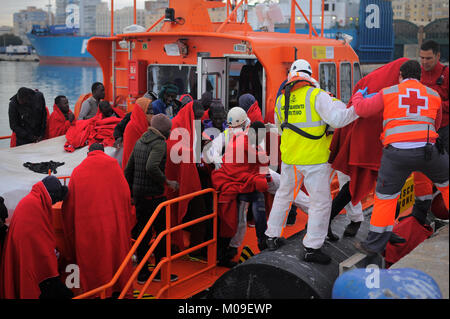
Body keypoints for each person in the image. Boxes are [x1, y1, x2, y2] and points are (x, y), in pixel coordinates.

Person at [264, 59, 359, 264]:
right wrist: (358, 108)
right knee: (321, 203)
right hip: (314, 160)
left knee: (284, 196)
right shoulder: (317, 95)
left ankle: (271, 236)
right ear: (310, 76)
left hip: (290, 158)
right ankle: (312, 248)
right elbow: (338, 120)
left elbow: (281, 129)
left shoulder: (281, 100)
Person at [351, 60, 449, 255]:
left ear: (400, 76)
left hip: (396, 154)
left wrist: (357, 96)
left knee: (386, 199)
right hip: (429, 152)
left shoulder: (389, 92)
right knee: (446, 184)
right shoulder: (433, 95)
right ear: (420, 77)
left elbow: (362, 109)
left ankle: (373, 245)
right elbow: (436, 124)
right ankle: (423, 210)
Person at [62, 143, 135, 297]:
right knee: (116, 257)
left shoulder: (77, 171)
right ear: (103, 152)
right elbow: (125, 194)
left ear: (88, 153)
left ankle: (96, 291)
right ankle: (117, 287)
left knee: (94, 261)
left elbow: (69, 206)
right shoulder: (114, 166)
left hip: (89, 227)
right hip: (114, 224)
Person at [124, 114, 179, 284]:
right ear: (164, 130)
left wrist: (132, 194)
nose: (170, 132)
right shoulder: (159, 143)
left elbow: (128, 169)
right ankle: (160, 272)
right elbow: (151, 166)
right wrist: (168, 182)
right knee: (162, 233)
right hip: (155, 197)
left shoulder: (140, 141)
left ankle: (141, 273)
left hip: (140, 196)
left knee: (143, 233)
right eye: (169, 129)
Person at [1, 176, 72, 299]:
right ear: (51, 195)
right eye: (54, 201)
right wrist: (55, 256)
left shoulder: (32, 201)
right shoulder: (33, 207)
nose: (53, 205)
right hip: (30, 266)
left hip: (24, 259)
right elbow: (41, 248)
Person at [211, 121, 270, 266]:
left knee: (242, 219)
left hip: (240, 184)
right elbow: (237, 170)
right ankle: (261, 242)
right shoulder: (240, 144)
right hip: (235, 184)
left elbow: (259, 162)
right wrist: (258, 179)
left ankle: (260, 241)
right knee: (239, 219)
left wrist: (259, 177)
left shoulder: (245, 141)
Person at [409, 40, 450, 226]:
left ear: (438, 56)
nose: (424, 62)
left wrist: (436, 104)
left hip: (444, 131)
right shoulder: (417, 74)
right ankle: (420, 214)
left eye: (428, 58)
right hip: (423, 132)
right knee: (422, 174)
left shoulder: (447, 75)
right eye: (422, 58)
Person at [121, 97, 153, 169]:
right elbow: (129, 153)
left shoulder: (149, 124)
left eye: (152, 109)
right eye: (148, 109)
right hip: (134, 167)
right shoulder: (132, 127)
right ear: (141, 110)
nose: (152, 112)